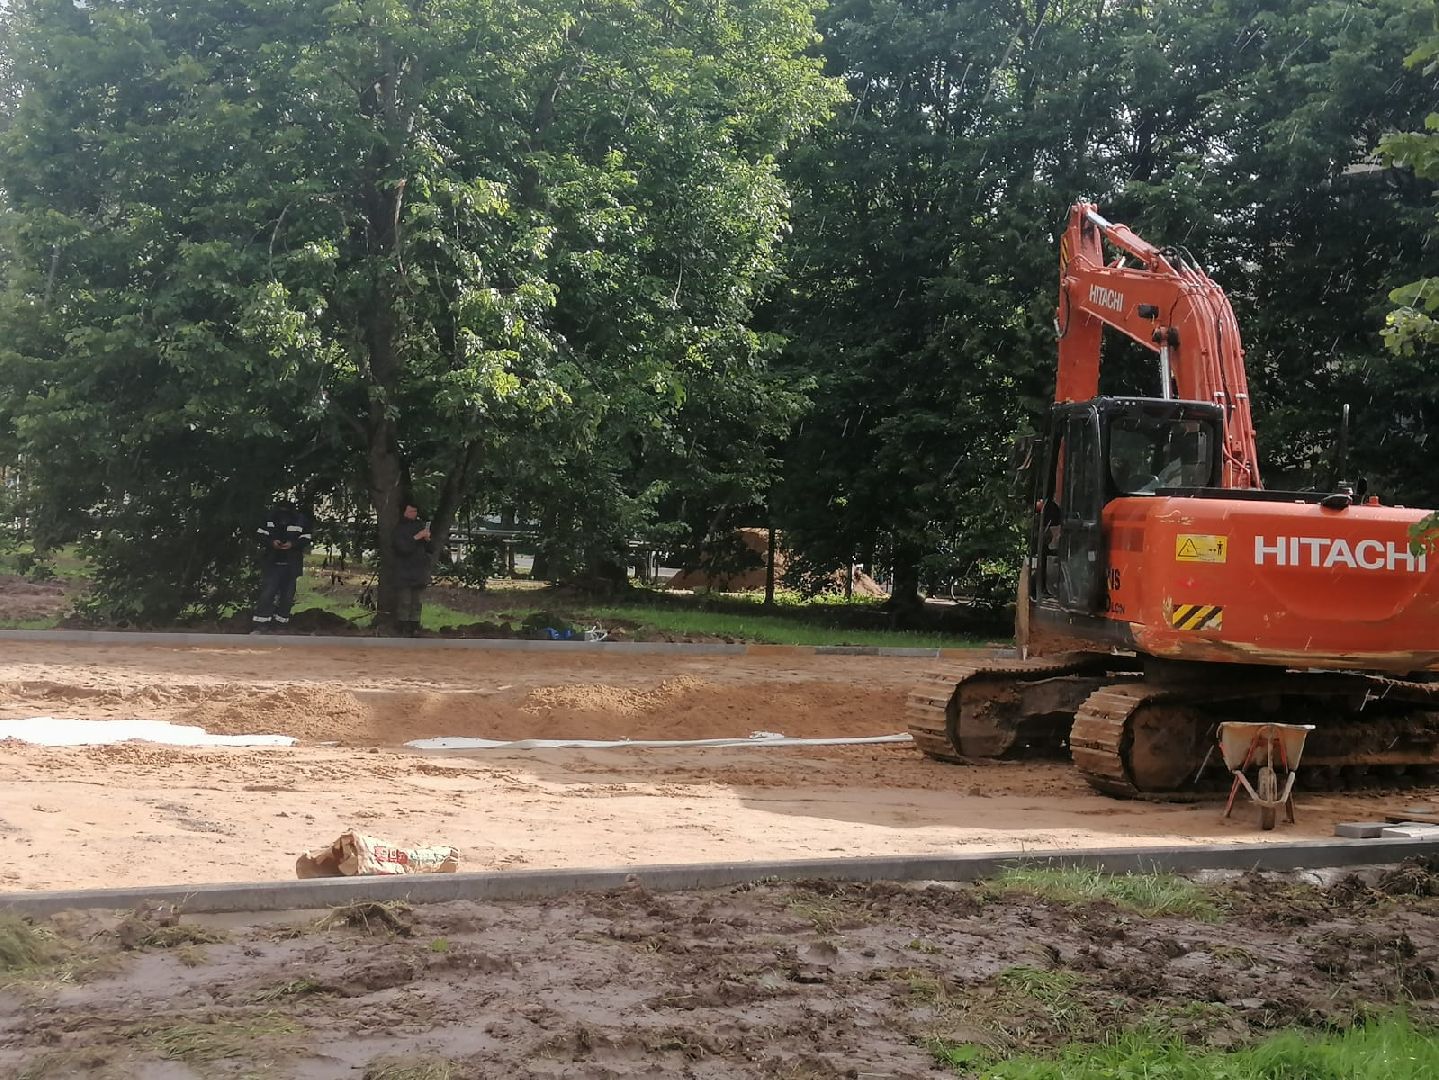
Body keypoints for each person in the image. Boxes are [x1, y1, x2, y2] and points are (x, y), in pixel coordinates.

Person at [252, 498, 312, 632]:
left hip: (292, 563)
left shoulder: (300, 520)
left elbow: (306, 537)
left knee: (287, 595)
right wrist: (272, 542)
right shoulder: (269, 519)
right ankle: (261, 624)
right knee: (268, 592)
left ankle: (281, 624)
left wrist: (293, 544)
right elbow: (260, 535)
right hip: (272, 562)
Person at [391, 502, 432, 636]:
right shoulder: (399, 529)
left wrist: (427, 539)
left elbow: (430, 549)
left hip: (418, 571)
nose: (412, 514)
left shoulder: (419, 526)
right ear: (404, 512)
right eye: (410, 512)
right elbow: (402, 548)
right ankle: (402, 627)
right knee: (405, 601)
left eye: (414, 512)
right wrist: (416, 537)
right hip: (404, 571)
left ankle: (414, 626)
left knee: (417, 602)